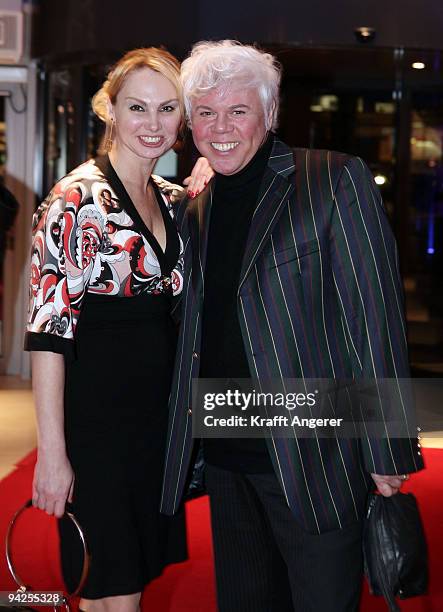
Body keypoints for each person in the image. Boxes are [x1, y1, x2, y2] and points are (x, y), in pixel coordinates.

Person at [160, 40, 424, 612]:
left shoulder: (332, 179)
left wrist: (388, 449)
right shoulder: (193, 209)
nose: (220, 127)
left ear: (269, 114)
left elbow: (373, 318)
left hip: (316, 453)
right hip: (228, 450)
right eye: (205, 112)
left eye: (237, 111)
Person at [24, 47, 211, 612]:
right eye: (137, 108)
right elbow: (49, 335)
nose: (153, 125)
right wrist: (53, 454)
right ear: (109, 109)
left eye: (167, 109)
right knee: (114, 584)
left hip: (155, 425)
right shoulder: (74, 199)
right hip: (97, 427)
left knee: (115, 583)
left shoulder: (175, 201)